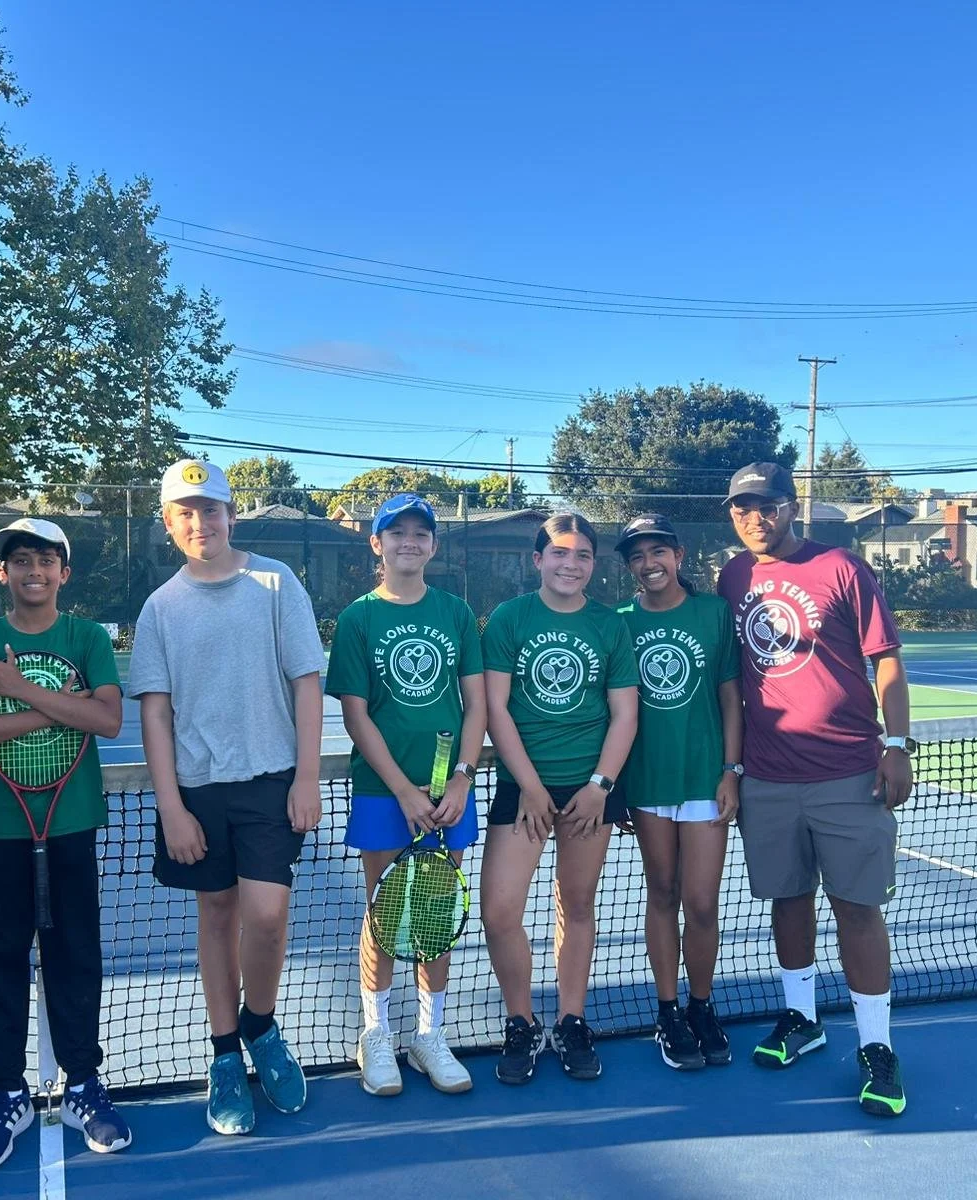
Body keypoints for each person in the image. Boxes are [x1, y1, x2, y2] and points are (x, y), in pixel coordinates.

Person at [131, 459, 327, 1135]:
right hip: (196, 790)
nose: (199, 522)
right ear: (168, 524)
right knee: (216, 914)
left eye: (210, 509)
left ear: (231, 514)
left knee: (267, 915)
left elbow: (307, 683)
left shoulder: (276, 582)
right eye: (185, 512)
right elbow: (155, 714)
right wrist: (171, 807)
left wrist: (306, 776)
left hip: (272, 780)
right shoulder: (160, 607)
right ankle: (224, 1055)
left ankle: (261, 1027)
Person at [715, 463, 914, 1118]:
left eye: (765, 505)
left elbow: (885, 657)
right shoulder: (732, 577)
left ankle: (877, 1048)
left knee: (857, 908)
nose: (754, 517)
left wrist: (895, 744)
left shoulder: (843, 568)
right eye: (742, 508)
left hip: (847, 773)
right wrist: (735, 768)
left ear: (790, 507)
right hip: (769, 777)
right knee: (788, 899)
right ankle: (802, 1019)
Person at [0, 518, 129, 1167]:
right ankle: (7, 1094)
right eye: (20, 561)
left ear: (63, 573)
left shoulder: (85, 636)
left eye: (45, 561)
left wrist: (18, 691)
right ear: (3, 573)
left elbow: (107, 717)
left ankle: (83, 1085)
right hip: (3, 826)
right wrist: (47, 702)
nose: (33, 572)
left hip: (73, 820)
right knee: (2, 958)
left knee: (77, 954)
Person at [325, 494, 486, 1097]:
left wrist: (462, 779)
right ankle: (376, 1034)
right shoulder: (358, 619)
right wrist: (401, 790)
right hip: (381, 793)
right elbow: (357, 716)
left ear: (434, 546)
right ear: (377, 544)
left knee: (436, 913)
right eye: (398, 534)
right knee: (385, 910)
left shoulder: (456, 613)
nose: (410, 543)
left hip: (449, 795)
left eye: (421, 533)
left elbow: (477, 704)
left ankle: (429, 1034)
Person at [479, 512, 638, 1085]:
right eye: (560, 553)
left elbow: (624, 712)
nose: (571, 564)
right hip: (523, 788)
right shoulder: (509, 618)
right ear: (538, 560)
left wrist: (600, 787)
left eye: (583, 555)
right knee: (500, 911)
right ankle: (520, 1023)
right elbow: (497, 709)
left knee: (577, 905)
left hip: (588, 793)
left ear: (593, 564)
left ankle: (572, 1022)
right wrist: (528, 784)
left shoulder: (609, 625)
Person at [614, 514, 742, 1071]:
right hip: (645, 784)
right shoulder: (619, 623)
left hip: (703, 781)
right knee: (660, 893)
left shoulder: (714, 614)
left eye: (658, 551)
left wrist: (731, 770)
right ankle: (668, 1012)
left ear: (680, 555)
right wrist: (613, 785)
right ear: (630, 567)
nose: (650, 564)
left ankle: (700, 1005)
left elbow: (731, 698)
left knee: (703, 903)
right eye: (638, 556)